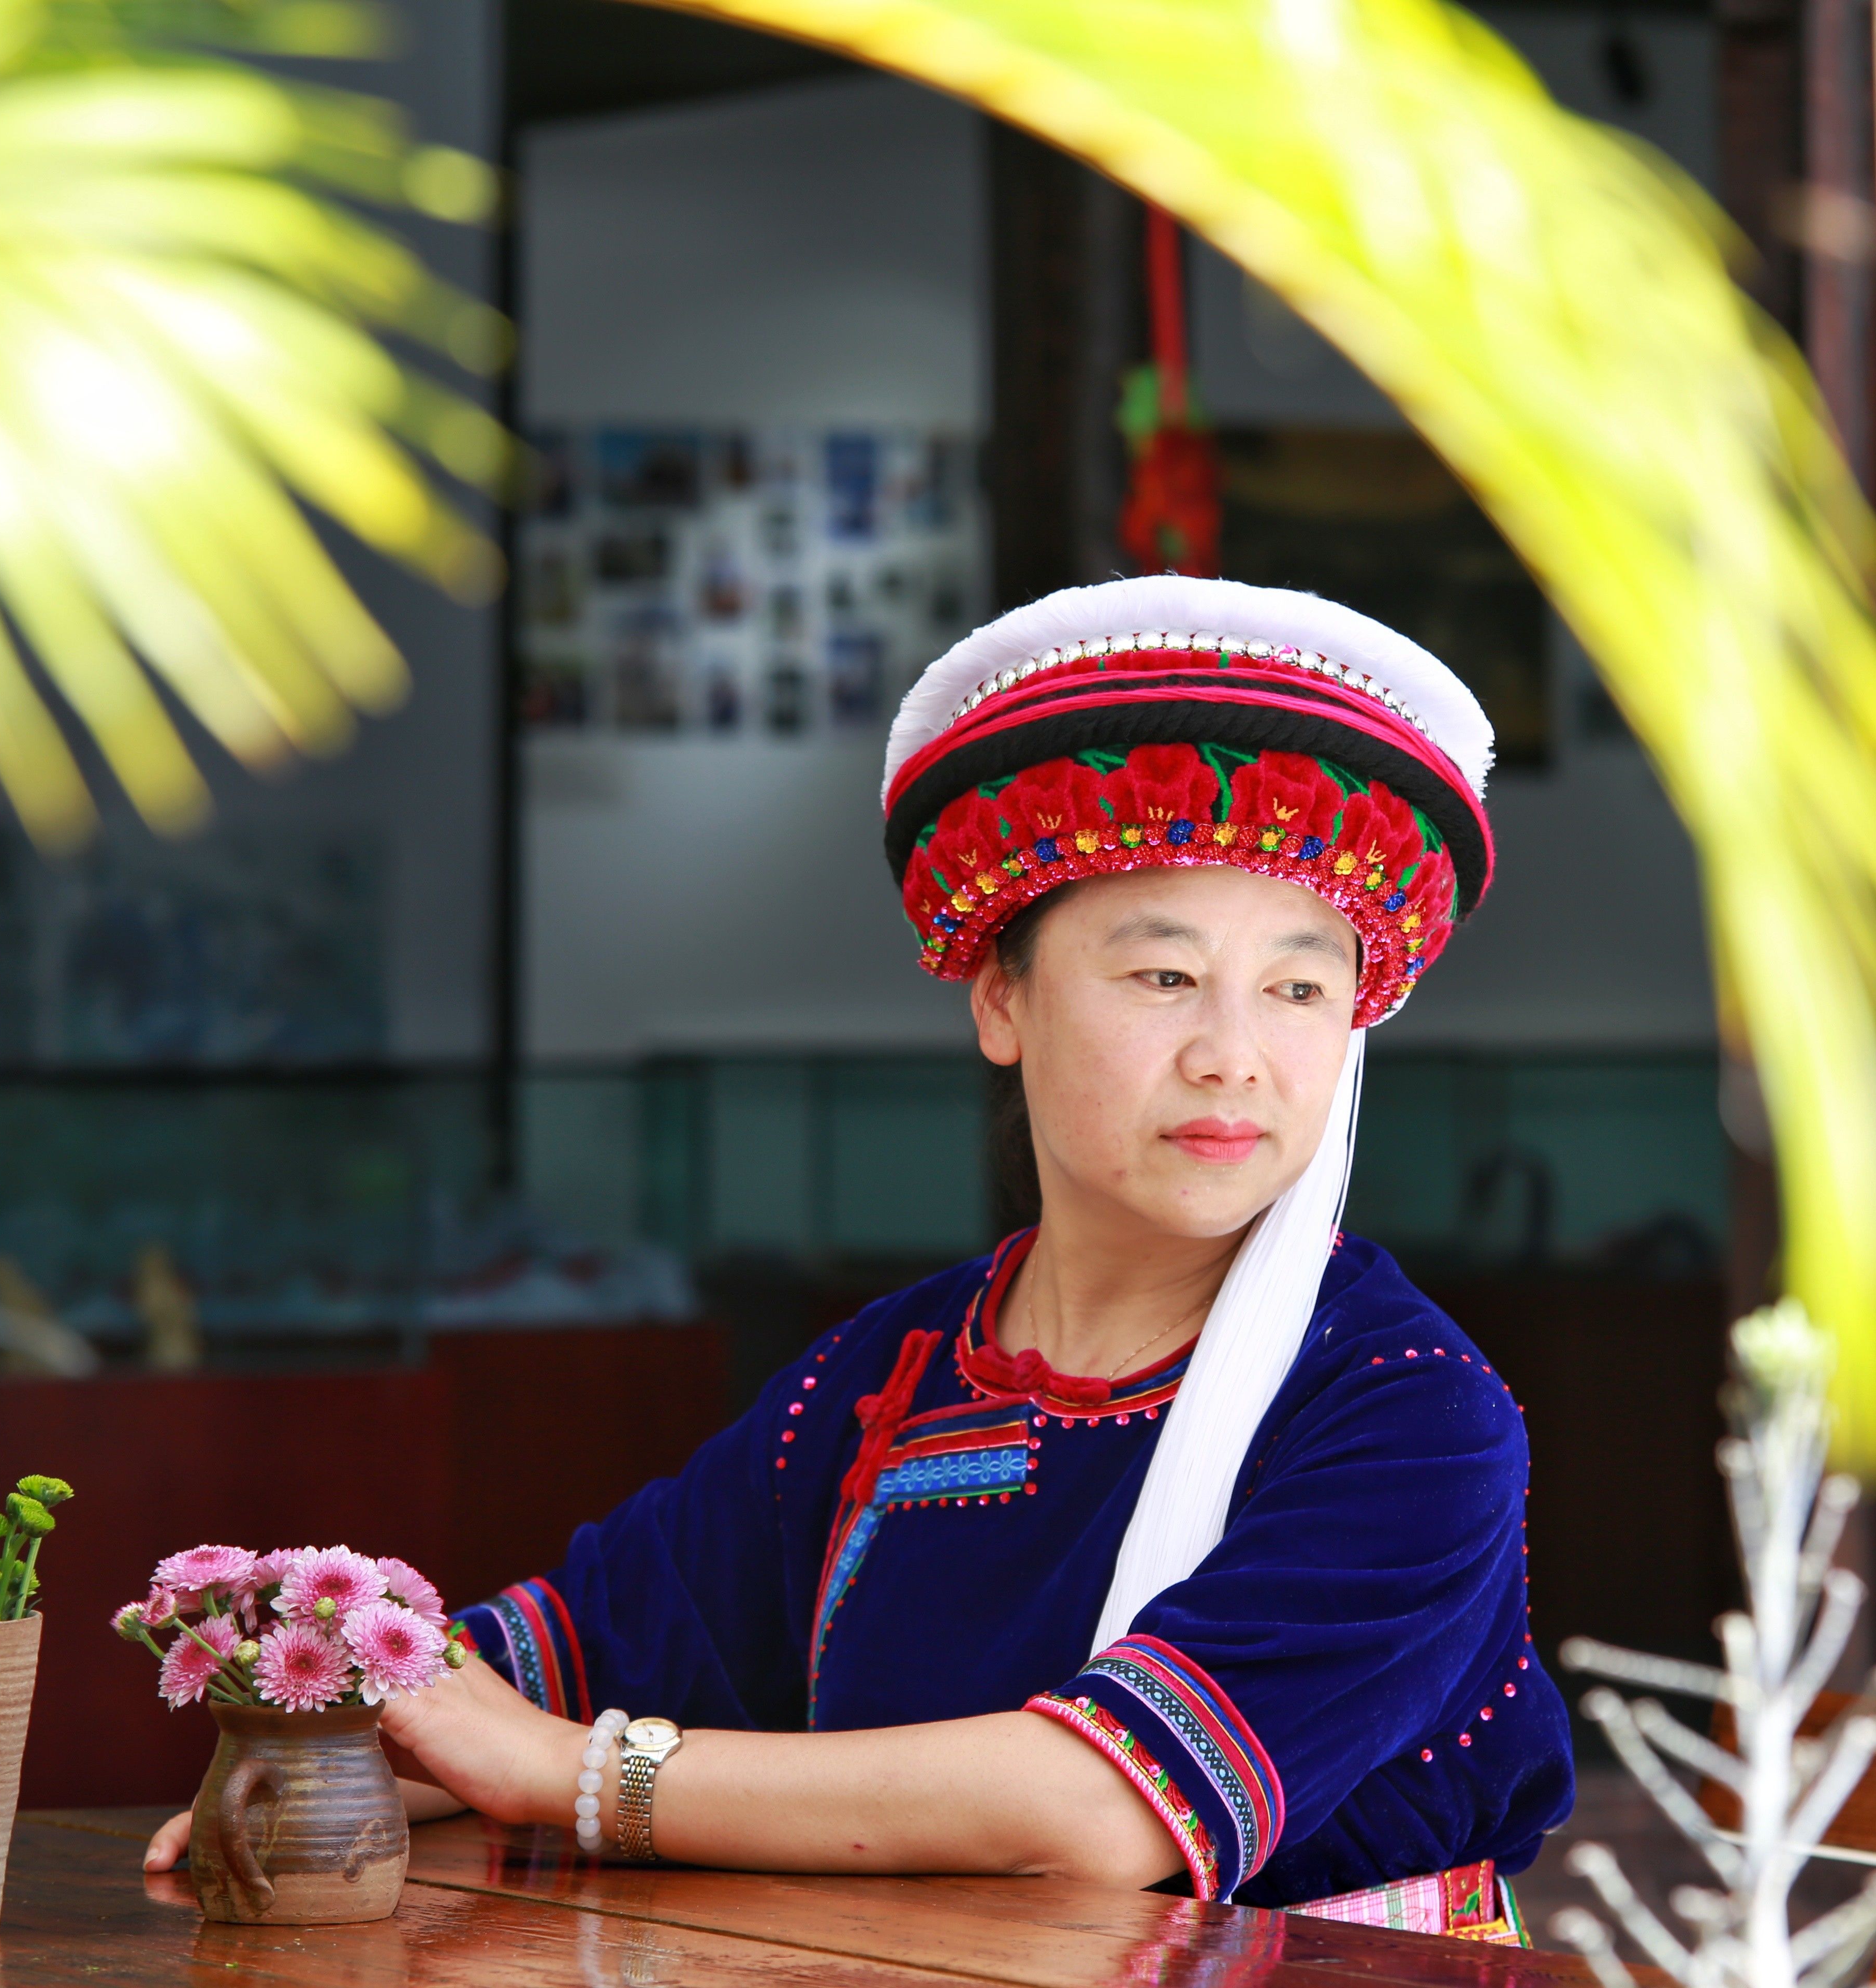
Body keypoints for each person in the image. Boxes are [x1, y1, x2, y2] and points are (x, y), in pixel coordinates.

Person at [145, 575, 1573, 1936]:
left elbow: (1095, 1809)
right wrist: (329, 1733)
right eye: (1163, 975)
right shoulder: (890, 1378)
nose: (1233, 1057)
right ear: (998, 999)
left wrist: (573, 1777)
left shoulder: (1406, 1410)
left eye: (1300, 989)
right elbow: (581, 1648)